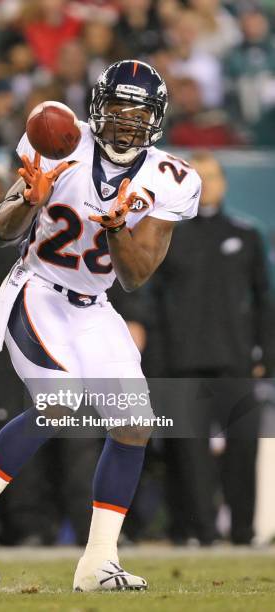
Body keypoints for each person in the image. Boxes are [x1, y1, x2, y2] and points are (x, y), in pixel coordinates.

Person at [0, 59, 201, 591]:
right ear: (97, 108)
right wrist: (28, 203)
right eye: (118, 110)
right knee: (62, 405)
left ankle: (99, 562)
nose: (127, 123)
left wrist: (120, 227)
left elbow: (136, 276)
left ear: (157, 119)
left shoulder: (171, 178)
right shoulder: (56, 136)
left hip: (96, 305)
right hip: (37, 288)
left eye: (138, 113)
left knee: (133, 422)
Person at [150, 151, 271, 546]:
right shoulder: (167, 235)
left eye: (213, 176)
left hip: (237, 362)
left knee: (243, 451)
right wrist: (159, 363)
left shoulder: (246, 234)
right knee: (190, 457)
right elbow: (151, 301)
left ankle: (243, 534)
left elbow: (264, 300)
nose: (207, 184)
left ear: (224, 182)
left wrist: (264, 357)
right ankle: (203, 535)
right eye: (198, 176)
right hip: (183, 365)